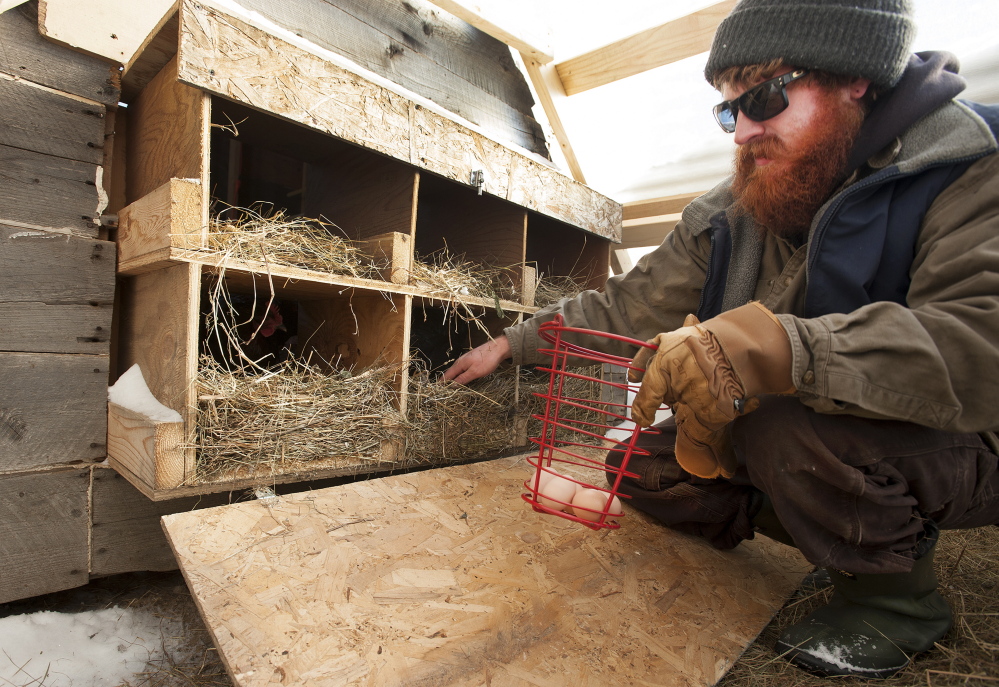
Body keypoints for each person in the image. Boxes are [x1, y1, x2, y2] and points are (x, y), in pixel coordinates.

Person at [444, 0, 999, 678]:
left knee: (781, 430)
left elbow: (978, 338)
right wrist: (516, 342)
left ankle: (897, 602)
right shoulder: (746, 196)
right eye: (727, 111)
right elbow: (635, 299)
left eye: (762, 98)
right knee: (644, 467)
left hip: (966, 432)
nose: (741, 132)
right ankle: (832, 522)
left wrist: (772, 350)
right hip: (818, 424)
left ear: (855, 79)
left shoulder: (966, 162)